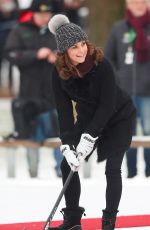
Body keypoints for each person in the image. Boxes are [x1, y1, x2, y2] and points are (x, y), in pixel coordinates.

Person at [47, 14, 136, 230]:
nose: (81, 50)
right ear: (64, 52)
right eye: (74, 47)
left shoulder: (101, 64)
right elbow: (64, 110)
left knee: (112, 168)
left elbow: (107, 105)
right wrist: (67, 143)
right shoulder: (59, 72)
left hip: (119, 116)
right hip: (88, 117)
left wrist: (89, 137)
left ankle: (108, 223)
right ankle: (72, 221)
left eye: (82, 43)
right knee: (67, 165)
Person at [4, 0, 63, 178]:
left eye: (48, 15)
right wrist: (35, 55)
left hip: (55, 96)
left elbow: (73, 56)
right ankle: (33, 173)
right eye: (41, 14)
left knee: (60, 136)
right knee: (31, 136)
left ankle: (62, 170)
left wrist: (58, 58)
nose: (45, 18)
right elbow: (11, 54)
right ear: (33, 14)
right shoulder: (20, 30)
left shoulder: (58, 32)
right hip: (29, 96)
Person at [105, 0, 150, 178]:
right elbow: (109, 58)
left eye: (143, 1)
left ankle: (149, 174)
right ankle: (131, 173)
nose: (139, 4)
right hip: (125, 94)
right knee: (127, 134)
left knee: (148, 132)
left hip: (148, 94)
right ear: (128, 5)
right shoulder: (118, 28)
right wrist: (118, 79)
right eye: (135, 1)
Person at [0, 0, 18, 91]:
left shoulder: (15, 12)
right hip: (1, 43)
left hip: (11, 43)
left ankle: (10, 87)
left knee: (11, 65)